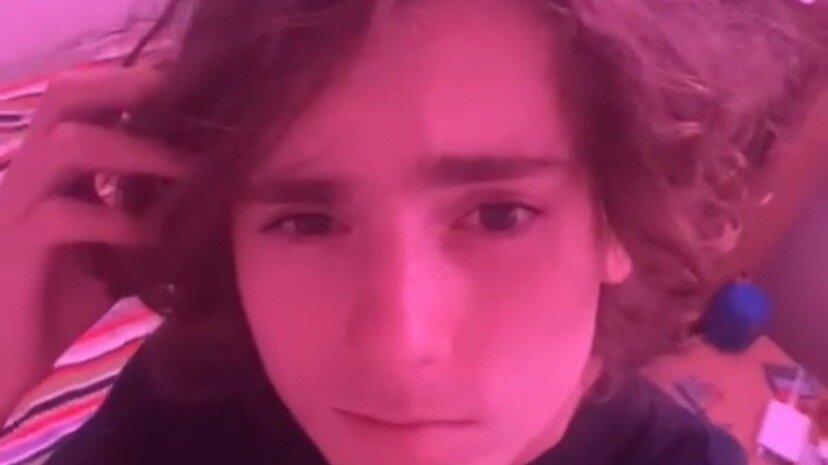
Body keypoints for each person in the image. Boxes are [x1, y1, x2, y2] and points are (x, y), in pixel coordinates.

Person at [0, 0, 824, 464]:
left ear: (621, 222)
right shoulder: (193, 408)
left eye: (499, 215)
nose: (398, 346)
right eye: (306, 220)